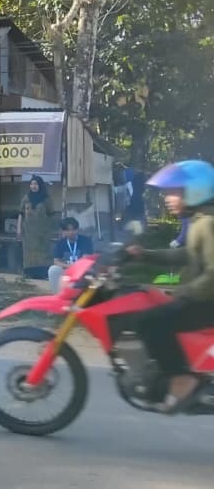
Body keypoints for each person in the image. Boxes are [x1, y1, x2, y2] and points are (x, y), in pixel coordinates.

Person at [128, 160, 214, 413]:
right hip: (202, 298)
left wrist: (184, 293)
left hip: (207, 303)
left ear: (195, 191)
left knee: (148, 321)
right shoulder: (199, 221)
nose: (167, 199)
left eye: (173, 192)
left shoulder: (207, 224)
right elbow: (184, 255)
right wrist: (145, 255)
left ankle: (181, 377)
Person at [19, 176, 56, 279]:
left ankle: (43, 274)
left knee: (43, 254)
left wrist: (52, 229)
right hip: (29, 232)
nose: (33, 186)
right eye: (31, 184)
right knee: (29, 253)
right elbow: (21, 214)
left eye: (35, 184)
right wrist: (18, 229)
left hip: (42, 233)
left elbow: (52, 215)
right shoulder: (26, 198)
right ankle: (29, 273)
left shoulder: (46, 199)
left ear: (40, 185)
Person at [48, 217, 94, 294]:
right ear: (63, 231)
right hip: (67, 269)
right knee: (53, 269)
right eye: (68, 230)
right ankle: (58, 295)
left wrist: (76, 267)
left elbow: (86, 259)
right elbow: (56, 261)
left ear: (77, 229)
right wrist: (69, 266)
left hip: (82, 269)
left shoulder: (85, 240)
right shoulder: (60, 243)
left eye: (73, 229)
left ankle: (85, 295)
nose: (71, 232)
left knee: (89, 270)